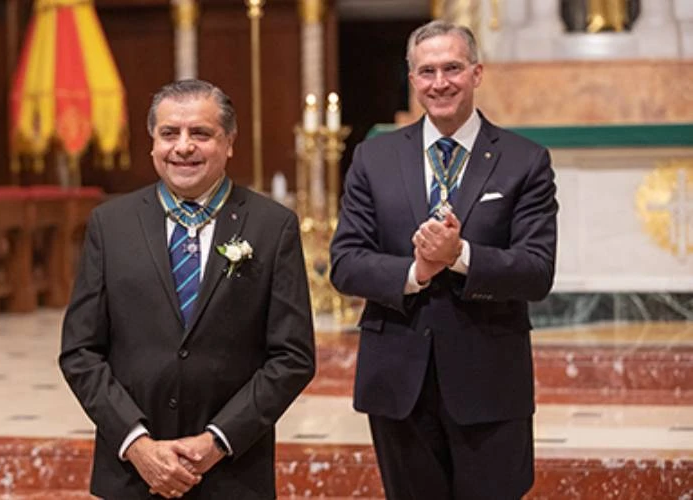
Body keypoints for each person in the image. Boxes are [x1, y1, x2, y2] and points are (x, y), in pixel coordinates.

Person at [329, 20, 558, 500]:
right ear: (412, 79)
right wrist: (416, 272)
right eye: (427, 71)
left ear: (476, 72)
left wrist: (461, 257)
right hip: (398, 382)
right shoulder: (374, 157)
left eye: (452, 68)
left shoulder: (525, 161)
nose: (440, 83)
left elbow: (537, 271)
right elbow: (346, 262)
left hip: (490, 382)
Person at [60, 79, 315, 499]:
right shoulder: (110, 224)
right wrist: (136, 444)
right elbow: (80, 350)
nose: (183, 147)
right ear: (152, 143)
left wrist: (217, 440)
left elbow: (293, 357)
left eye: (200, 133)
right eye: (169, 134)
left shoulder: (272, 227)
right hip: (131, 473)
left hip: (233, 471)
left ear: (229, 142)